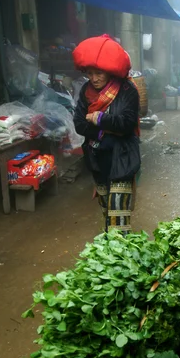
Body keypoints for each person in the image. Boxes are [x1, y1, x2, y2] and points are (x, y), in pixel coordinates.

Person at [73, 34, 140, 233]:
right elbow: (78, 124)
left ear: (110, 71)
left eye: (99, 73)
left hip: (122, 159)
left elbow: (127, 124)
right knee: (106, 212)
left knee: (118, 219)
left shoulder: (128, 90)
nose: (94, 79)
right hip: (97, 161)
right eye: (89, 73)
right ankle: (109, 254)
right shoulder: (86, 91)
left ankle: (121, 256)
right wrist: (107, 129)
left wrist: (100, 119)